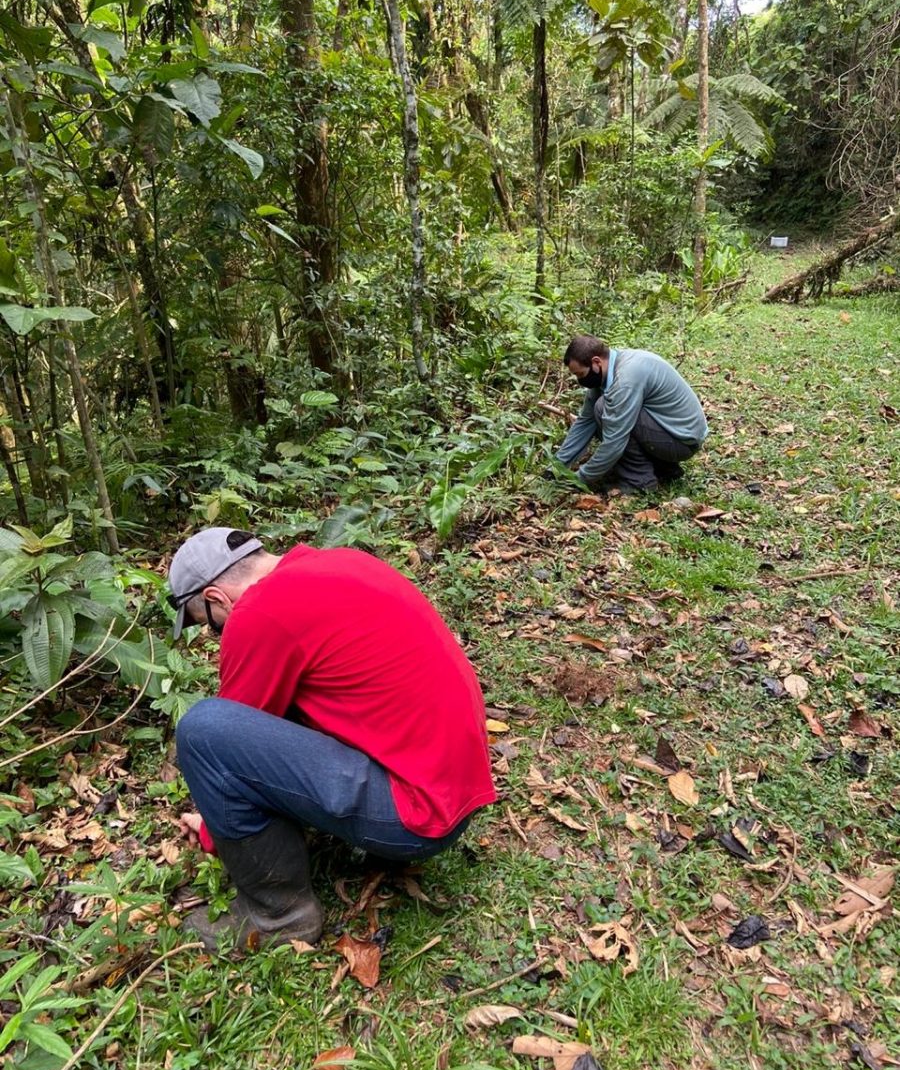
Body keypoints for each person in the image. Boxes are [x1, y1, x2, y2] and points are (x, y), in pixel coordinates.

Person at [168, 527, 496, 950]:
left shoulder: (259, 612)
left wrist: (213, 831)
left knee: (202, 730)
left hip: (418, 817)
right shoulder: (338, 562)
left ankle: (279, 917)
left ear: (216, 598)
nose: (217, 637)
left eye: (210, 627)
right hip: (453, 789)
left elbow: (234, 733)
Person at [551, 335, 708, 493]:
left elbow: (614, 441)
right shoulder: (608, 371)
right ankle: (663, 469)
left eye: (581, 374)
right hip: (670, 432)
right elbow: (585, 422)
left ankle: (639, 482)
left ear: (596, 362)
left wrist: (579, 479)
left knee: (604, 409)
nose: (580, 380)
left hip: (682, 441)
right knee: (601, 410)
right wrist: (556, 467)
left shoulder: (626, 379)